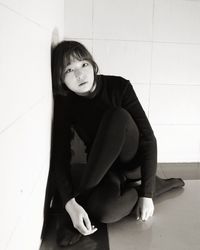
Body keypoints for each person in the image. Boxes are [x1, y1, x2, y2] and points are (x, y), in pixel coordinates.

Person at [48, 40, 185, 247]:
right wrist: (69, 203)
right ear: (60, 78)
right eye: (69, 69)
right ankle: (156, 186)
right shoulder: (66, 104)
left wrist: (146, 195)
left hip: (133, 164)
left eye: (83, 64)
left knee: (117, 116)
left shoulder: (119, 86)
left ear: (93, 65)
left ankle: (146, 187)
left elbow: (148, 138)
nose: (79, 74)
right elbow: (59, 154)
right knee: (104, 211)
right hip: (105, 171)